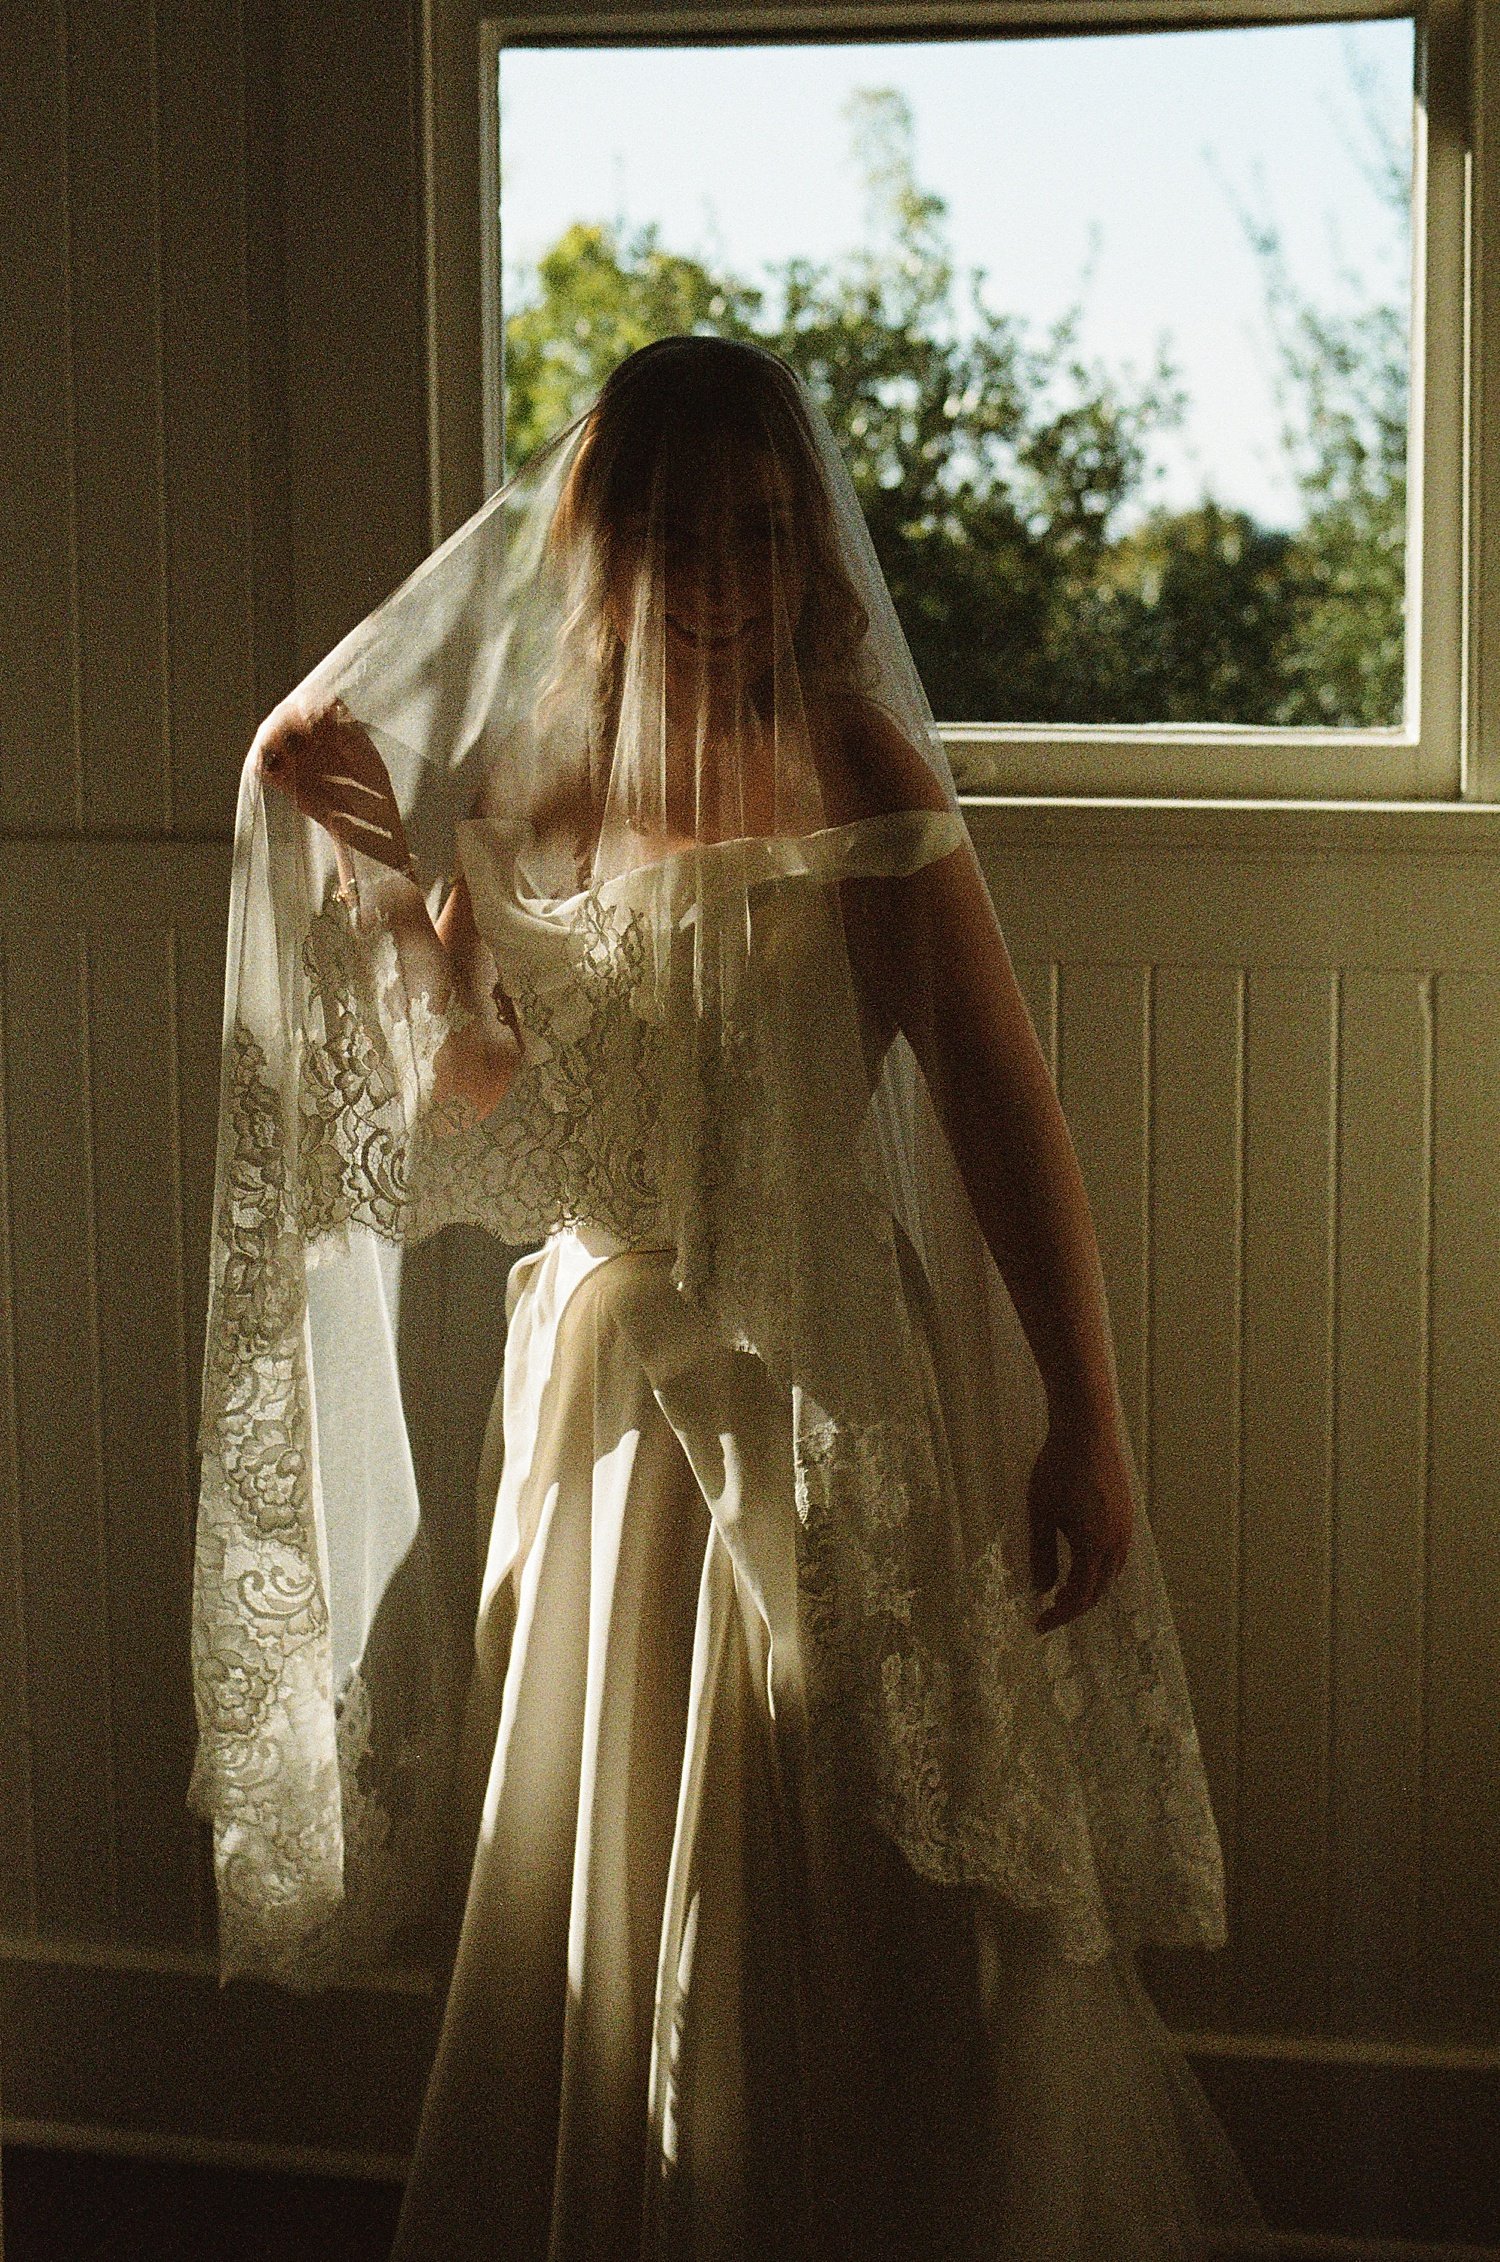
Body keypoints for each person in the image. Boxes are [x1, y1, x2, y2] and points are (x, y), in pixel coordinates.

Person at [190, 335, 1265, 2259]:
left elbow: (1003, 1105)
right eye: (685, 549)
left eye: (767, 544)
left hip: (831, 1376)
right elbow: (476, 1095)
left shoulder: (855, 760)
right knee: (597, 1877)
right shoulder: (527, 769)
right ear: (598, 554)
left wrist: (1086, 1413)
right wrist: (361, 874)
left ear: (811, 555)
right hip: (606, 1401)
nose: (731, 592)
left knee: (856, 1850)